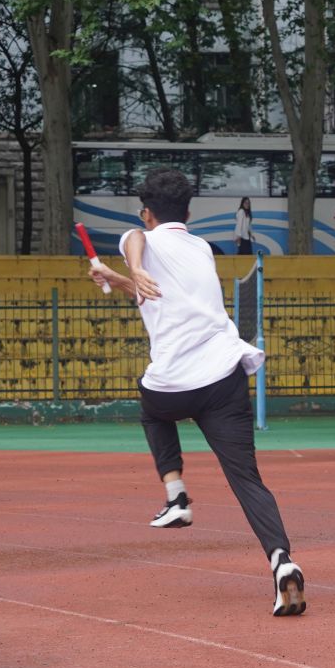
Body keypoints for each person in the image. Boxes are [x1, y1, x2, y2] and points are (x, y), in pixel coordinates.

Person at [89, 168, 306, 617]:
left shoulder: (139, 238)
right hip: (225, 378)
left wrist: (131, 267)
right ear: (187, 213)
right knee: (247, 480)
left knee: (151, 409)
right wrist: (120, 279)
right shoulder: (202, 249)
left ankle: (176, 497)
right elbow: (161, 295)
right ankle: (281, 559)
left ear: (145, 213)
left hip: (173, 386)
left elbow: (137, 241)